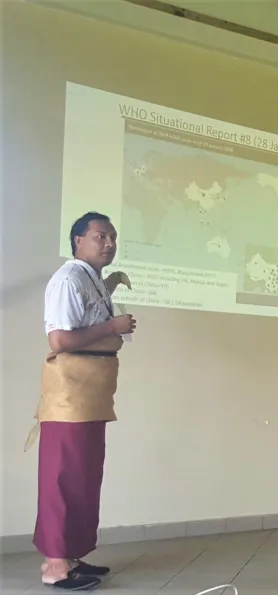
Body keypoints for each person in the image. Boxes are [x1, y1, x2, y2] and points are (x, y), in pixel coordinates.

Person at [35, 212, 137, 589]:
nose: (109, 243)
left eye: (112, 236)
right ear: (78, 240)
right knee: (62, 476)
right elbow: (59, 340)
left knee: (84, 476)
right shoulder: (68, 278)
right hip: (70, 393)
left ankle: (73, 556)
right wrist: (113, 327)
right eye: (100, 236)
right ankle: (55, 566)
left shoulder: (90, 279)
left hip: (92, 392)